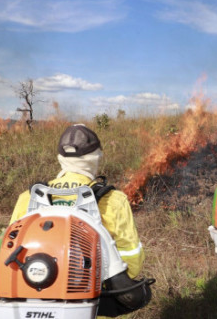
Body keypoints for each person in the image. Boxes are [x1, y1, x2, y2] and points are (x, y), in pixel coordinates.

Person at [9, 124, 147, 315]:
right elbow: (132, 263)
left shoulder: (28, 197)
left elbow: (10, 254)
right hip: (93, 307)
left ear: (61, 159)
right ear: (95, 158)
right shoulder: (113, 200)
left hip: (33, 304)